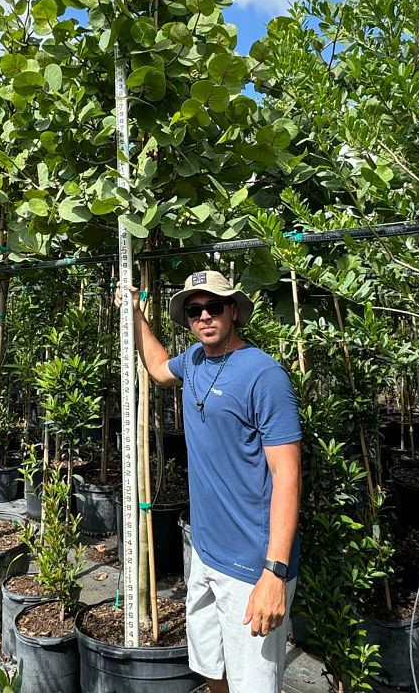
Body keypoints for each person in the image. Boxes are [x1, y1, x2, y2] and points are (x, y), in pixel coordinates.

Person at [117, 270, 302, 693]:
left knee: (252, 684)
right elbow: (161, 369)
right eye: (194, 310)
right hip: (203, 551)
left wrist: (274, 572)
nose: (204, 316)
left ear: (233, 311)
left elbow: (288, 476)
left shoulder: (263, 374)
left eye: (214, 306)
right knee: (211, 669)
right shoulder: (195, 361)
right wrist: (136, 315)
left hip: (251, 565)